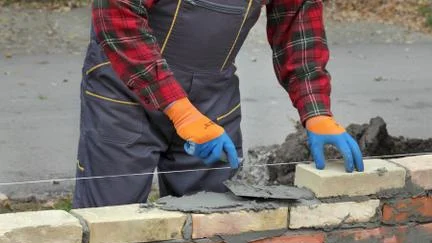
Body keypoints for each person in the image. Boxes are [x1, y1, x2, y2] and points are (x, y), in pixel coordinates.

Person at [72, 0, 364, 209]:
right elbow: (117, 15)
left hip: (212, 100)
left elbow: (298, 29)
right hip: (125, 91)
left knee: (211, 222)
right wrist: (180, 110)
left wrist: (316, 111)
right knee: (109, 223)